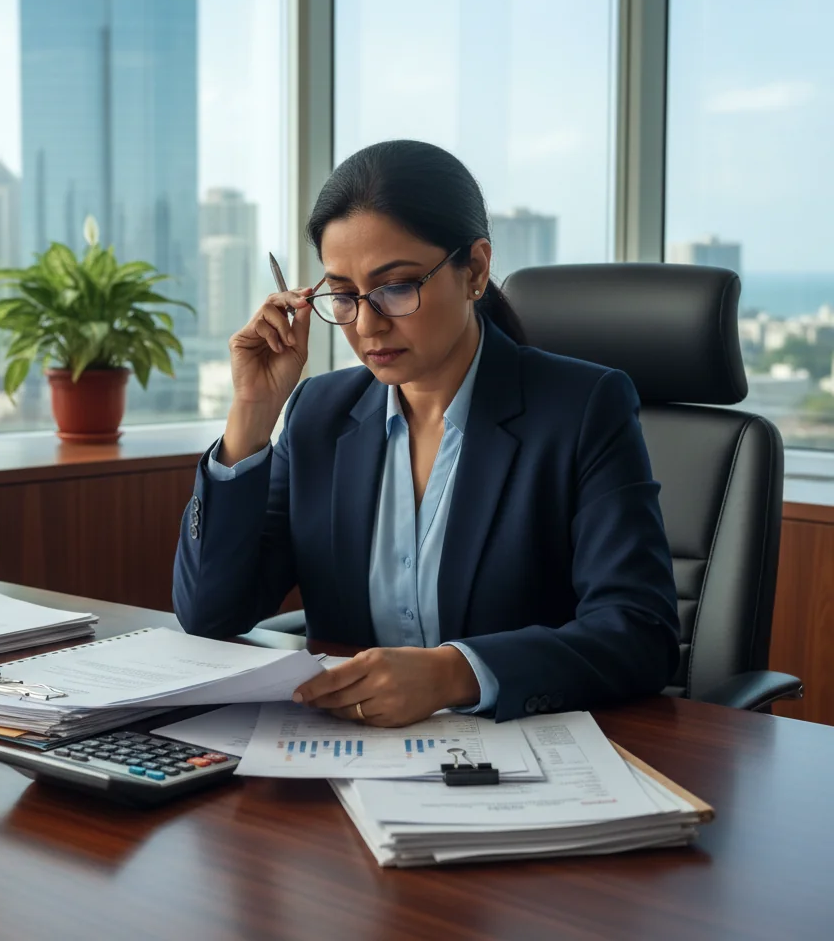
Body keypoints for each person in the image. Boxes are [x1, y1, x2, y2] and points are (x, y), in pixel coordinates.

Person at [173, 139, 679, 727]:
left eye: (397, 286)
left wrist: (452, 673)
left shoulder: (582, 409)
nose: (367, 323)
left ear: (477, 270)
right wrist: (252, 413)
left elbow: (639, 633)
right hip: (343, 760)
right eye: (344, 293)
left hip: (520, 759)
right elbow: (209, 613)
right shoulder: (319, 414)